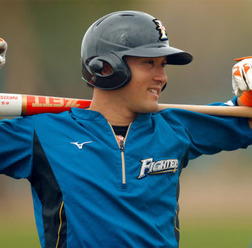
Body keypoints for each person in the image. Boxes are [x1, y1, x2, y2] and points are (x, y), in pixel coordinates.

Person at [1, 10, 252, 248]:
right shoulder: (42, 134)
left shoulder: (176, 127)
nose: (161, 77)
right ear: (107, 67)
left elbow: (245, 118)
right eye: (149, 63)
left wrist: (248, 92)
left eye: (163, 65)